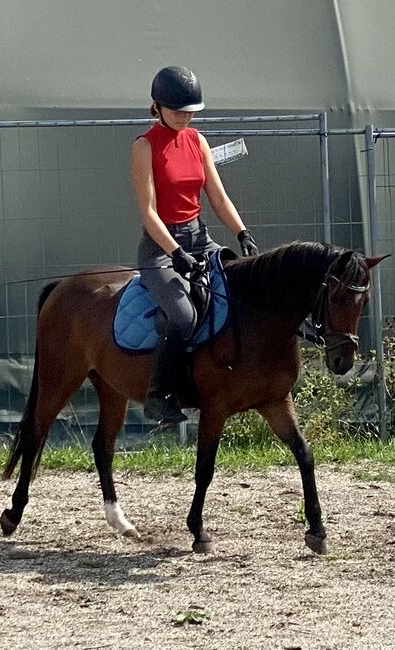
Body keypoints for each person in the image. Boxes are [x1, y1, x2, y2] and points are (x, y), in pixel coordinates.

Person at [131, 65, 259, 424]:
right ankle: (158, 397)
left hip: (199, 237)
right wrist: (175, 253)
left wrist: (242, 234)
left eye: (191, 112)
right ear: (157, 106)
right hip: (160, 247)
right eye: (178, 111)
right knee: (183, 316)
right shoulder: (144, 147)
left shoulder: (197, 140)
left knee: (239, 287)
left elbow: (218, 198)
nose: (185, 118)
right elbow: (149, 213)